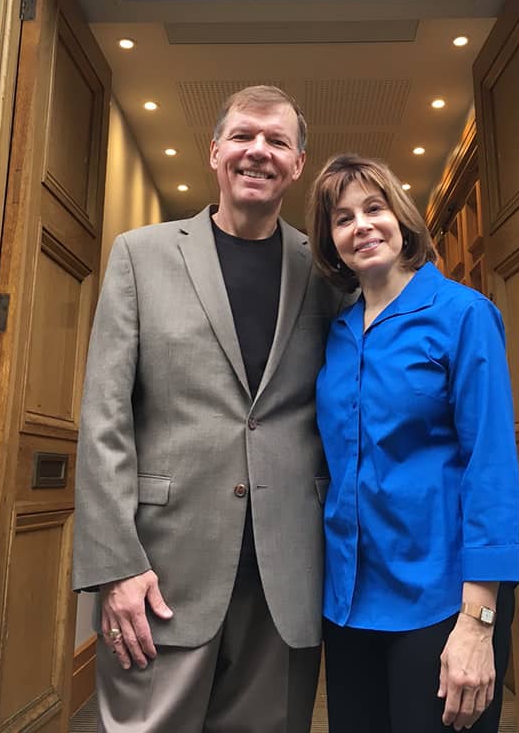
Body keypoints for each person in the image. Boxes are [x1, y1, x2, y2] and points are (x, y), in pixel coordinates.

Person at [73, 86, 343, 733]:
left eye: (278, 141)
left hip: (288, 573)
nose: (259, 151)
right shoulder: (140, 255)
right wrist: (115, 567)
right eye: (245, 135)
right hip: (160, 572)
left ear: (299, 163)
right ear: (215, 150)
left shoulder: (326, 271)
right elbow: (105, 420)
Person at [306, 154, 519, 733]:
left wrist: (478, 621)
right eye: (343, 218)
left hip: (442, 602)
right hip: (349, 599)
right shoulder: (336, 332)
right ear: (331, 241)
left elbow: (492, 468)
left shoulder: (463, 315)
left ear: (401, 218)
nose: (362, 226)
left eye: (374, 208)